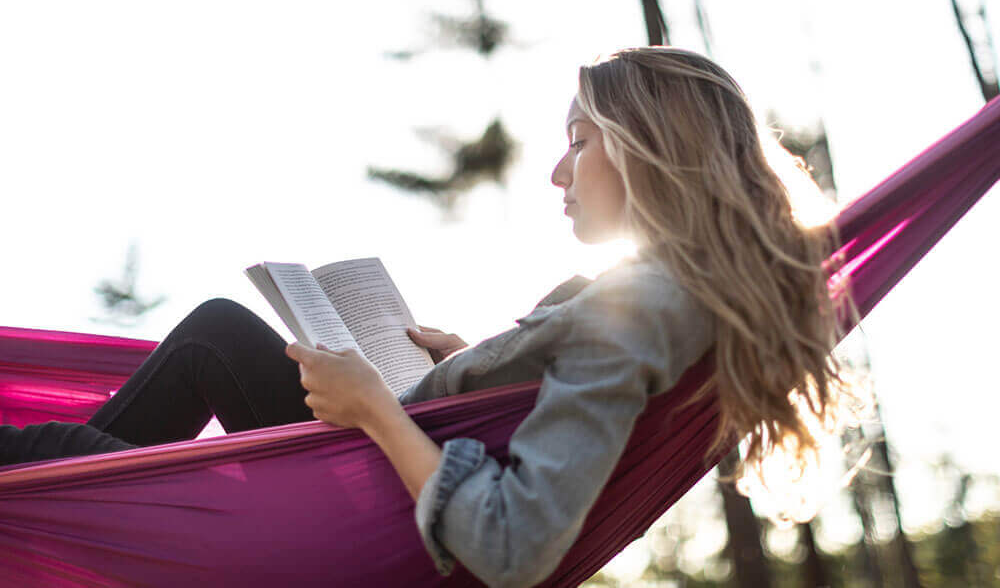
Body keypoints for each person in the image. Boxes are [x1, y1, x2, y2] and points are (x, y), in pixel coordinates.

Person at [0, 47, 848, 588]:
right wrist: (483, 362)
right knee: (215, 337)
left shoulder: (642, 309)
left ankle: (87, 499)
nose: (558, 171)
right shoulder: (664, 298)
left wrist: (372, 403)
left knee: (39, 466)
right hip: (386, 461)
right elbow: (570, 398)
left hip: (370, 500)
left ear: (651, 146)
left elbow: (513, 545)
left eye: (580, 139)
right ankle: (95, 499)